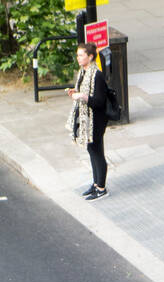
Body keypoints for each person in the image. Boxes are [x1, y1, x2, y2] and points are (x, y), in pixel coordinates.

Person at [66, 42, 109, 200]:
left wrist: (82, 97)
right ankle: (96, 183)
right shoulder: (82, 72)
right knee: (91, 150)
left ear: (90, 57)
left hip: (95, 120)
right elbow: (83, 90)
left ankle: (102, 187)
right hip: (85, 119)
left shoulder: (96, 75)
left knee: (97, 152)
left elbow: (99, 101)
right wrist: (75, 92)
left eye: (81, 55)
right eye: (77, 55)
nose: (78, 58)